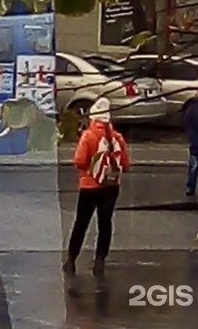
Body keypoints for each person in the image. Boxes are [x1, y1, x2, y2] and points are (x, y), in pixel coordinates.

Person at [64, 96, 130, 276]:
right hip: (111, 186)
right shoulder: (117, 137)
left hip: (89, 186)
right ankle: (100, 260)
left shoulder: (88, 135)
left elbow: (79, 161)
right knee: (105, 223)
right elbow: (125, 164)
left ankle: (71, 259)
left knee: (81, 222)